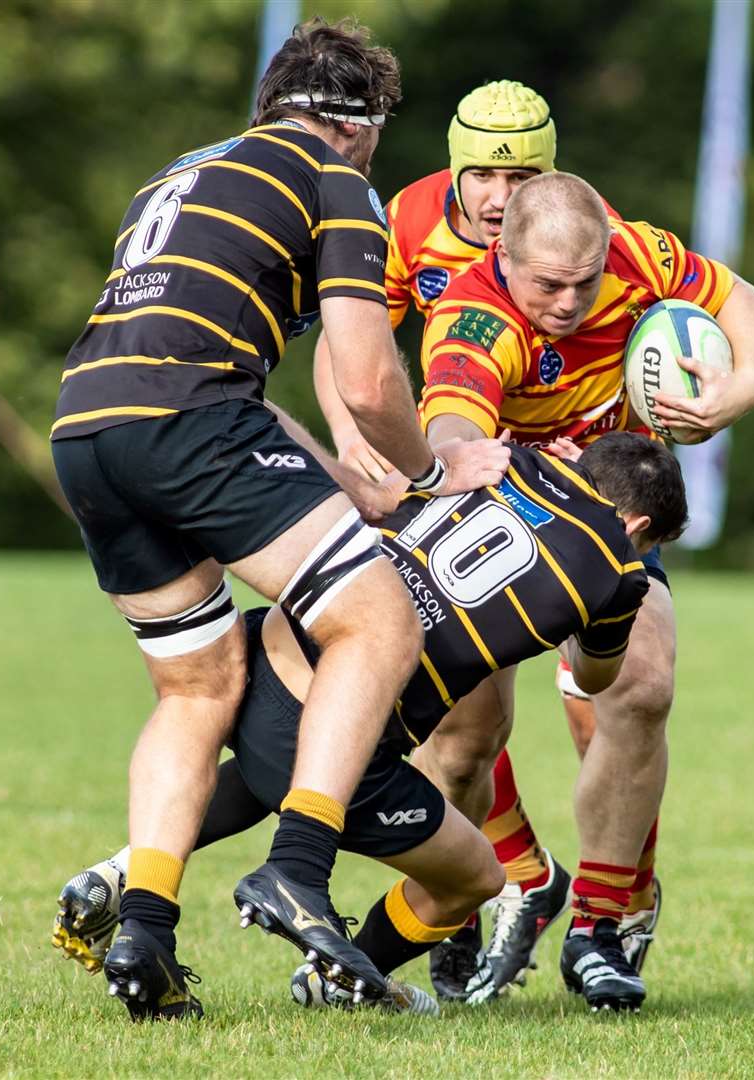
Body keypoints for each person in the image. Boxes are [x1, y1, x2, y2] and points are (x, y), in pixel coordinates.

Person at [49, 18, 509, 1021]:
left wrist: (360, 487)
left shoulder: (181, 174)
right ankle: (297, 869)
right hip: (188, 420)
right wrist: (434, 470)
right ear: (359, 126)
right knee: (377, 619)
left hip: (87, 427)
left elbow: (241, 388)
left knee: (196, 688)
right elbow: (366, 374)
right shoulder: (335, 179)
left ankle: (146, 933)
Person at [53, 432, 690, 1015]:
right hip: (341, 712)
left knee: (266, 770)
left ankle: (123, 878)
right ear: (637, 525)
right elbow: (595, 676)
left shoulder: (491, 459)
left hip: (267, 644)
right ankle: (340, 981)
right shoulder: (621, 571)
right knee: (477, 877)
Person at [417, 171, 754, 1009]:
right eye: (548, 284)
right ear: (502, 255)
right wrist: (522, 470)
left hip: (610, 524)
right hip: (495, 525)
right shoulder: (473, 317)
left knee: (641, 689)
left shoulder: (635, 253)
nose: (570, 301)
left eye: (585, 281)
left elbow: (744, 300)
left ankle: (601, 926)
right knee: (465, 742)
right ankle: (475, 898)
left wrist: (744, 384)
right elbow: (452, 430)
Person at [312, 80, 596, 1001]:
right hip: (442, 477)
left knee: (481, 730)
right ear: (454, 167)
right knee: (450, 722)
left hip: (541, 490)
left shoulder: (579, 235)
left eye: (522, 176)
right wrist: (355, 436)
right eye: (482, 172)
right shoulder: (406, 217)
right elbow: (344, 336)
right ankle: (482, 893)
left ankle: (529, 890)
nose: (500, 196)